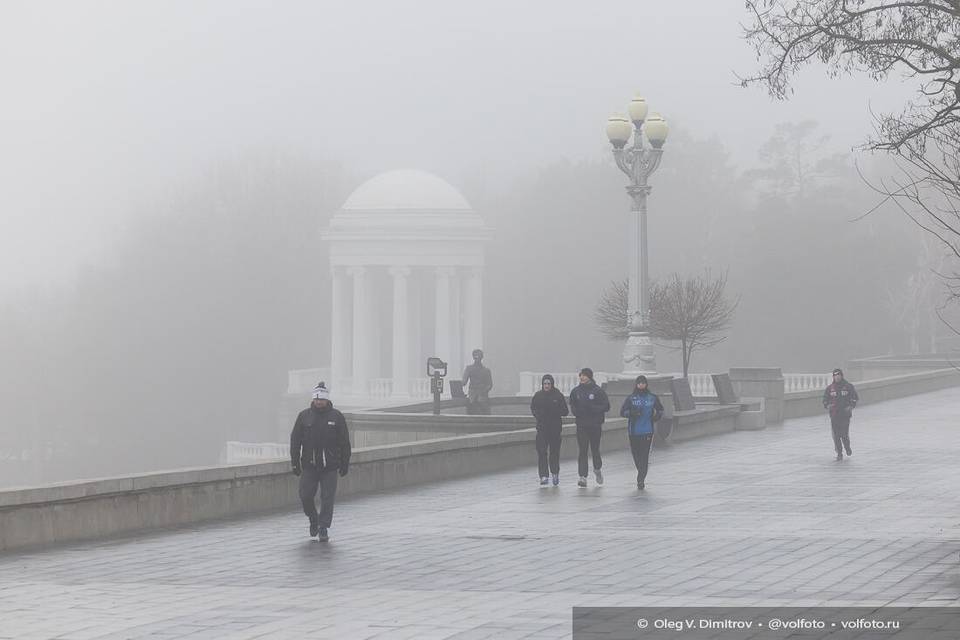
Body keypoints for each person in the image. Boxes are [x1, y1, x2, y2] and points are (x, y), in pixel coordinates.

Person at [290, 382, 351, 540]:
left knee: (327, 498)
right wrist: (295, 462)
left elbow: (344, 442)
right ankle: (313, 518)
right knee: (305, 496)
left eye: (322, 399)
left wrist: (345, 463)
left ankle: (323, 527)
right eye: (317, 399)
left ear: (327, 399)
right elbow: (295, 441)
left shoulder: (336, 416)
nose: (319, 402)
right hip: (309, 466)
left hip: (329, 466)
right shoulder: (304, 416)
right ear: (313, 399)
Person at [619, 375, 664, 490]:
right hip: (633, 432)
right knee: (636, 455)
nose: (641, 385)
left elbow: (660, 409)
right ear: (636, 384)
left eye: (643, 383)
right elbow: (622, 412)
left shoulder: (652, 398)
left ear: (646, 384)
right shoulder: (631, 398)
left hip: (647, 431)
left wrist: (656, 417)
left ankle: (641, 479)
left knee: (644, 456)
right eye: (639, 383)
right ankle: (641, 470)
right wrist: (632, 413)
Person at [569, 367, 610, 488]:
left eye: (584, 375)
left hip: (595, 425)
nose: (582, 377)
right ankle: (582, 476)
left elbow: (606, 406)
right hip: (582, 425)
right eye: (581, 375)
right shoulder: (576, 391)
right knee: (582, 450)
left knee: (595, 450)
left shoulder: (597, 391)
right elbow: (573, 405)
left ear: (590, 377)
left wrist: (594, 409)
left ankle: (597, 469)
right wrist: (578, 412)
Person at [530, 374, 569, 486]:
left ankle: (555, 473)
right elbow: (533, 408)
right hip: (542, 429)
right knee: (542, 452)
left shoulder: (558, 395)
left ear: (552, 384)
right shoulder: (538, 396)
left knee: (554, 453)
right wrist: (538, 414)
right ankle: (543, 475)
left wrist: (555, 411)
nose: (546, 386)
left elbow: (565, 411)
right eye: (545, 384)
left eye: (548, 384)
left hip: (555, 429)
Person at [822, 368, 859, 461]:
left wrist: (851, 406)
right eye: (835, 376)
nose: (837, 377)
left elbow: (855, 398)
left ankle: (847, 447)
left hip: (845, 415)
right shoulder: (830, 388)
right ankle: (839, 453)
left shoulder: (848, 386)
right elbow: (824, 400)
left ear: (841, 376)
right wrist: (827, 406)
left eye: (838, 375)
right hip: (834, 415)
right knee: (836, 435)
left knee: (844, 434)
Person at [462, 348, 493, 415]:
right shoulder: (469, 368)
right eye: (475, 356)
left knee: (485, 415)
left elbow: (490, 384)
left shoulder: (486, 370)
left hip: (483, 397)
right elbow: (464, 382)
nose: (477, 358)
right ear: (473, 357)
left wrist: (483, 391)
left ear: (482, 357)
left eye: (478, 356)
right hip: (472, 397)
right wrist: (459, 385)